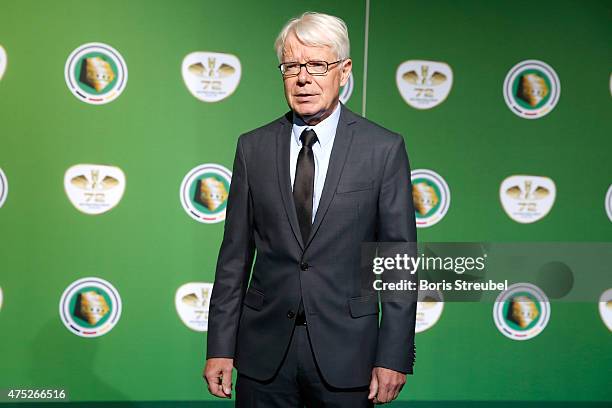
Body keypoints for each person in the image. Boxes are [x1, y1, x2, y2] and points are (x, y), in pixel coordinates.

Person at [203, 11, 417, 407]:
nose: (303, 78)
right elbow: (233, 257)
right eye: (291, 66)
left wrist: (394, 355)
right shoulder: (253, 148)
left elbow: (398, 260)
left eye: (317, 64)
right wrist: (220, 345)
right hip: (263, 359)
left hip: (349, 359)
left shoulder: (383, 149)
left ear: (344, 70)